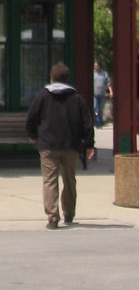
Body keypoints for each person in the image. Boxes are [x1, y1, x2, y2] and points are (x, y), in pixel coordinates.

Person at [25, 62, 95, 229]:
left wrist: (33, 135)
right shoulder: (77, 98)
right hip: (71, 146)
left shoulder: (43, 96)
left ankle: (52, 217)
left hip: (48, 145)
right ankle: (69, 213)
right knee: (69, 179)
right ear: (67, 79)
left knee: (50, 180)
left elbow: (31, 118)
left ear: (51, 78)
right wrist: (89, 144)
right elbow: (87, 123)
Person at [93, 59, 113, 127]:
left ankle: (100, 122)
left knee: (100, 109)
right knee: (95, 107)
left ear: (99, 66)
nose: (95, 67)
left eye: (96, 66)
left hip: (102, 94)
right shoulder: (93, 73)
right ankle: (95, 121)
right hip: (94, 94)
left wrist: (111, 91)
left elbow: (108, 83)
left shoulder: (104, 74)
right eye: (95, 66)